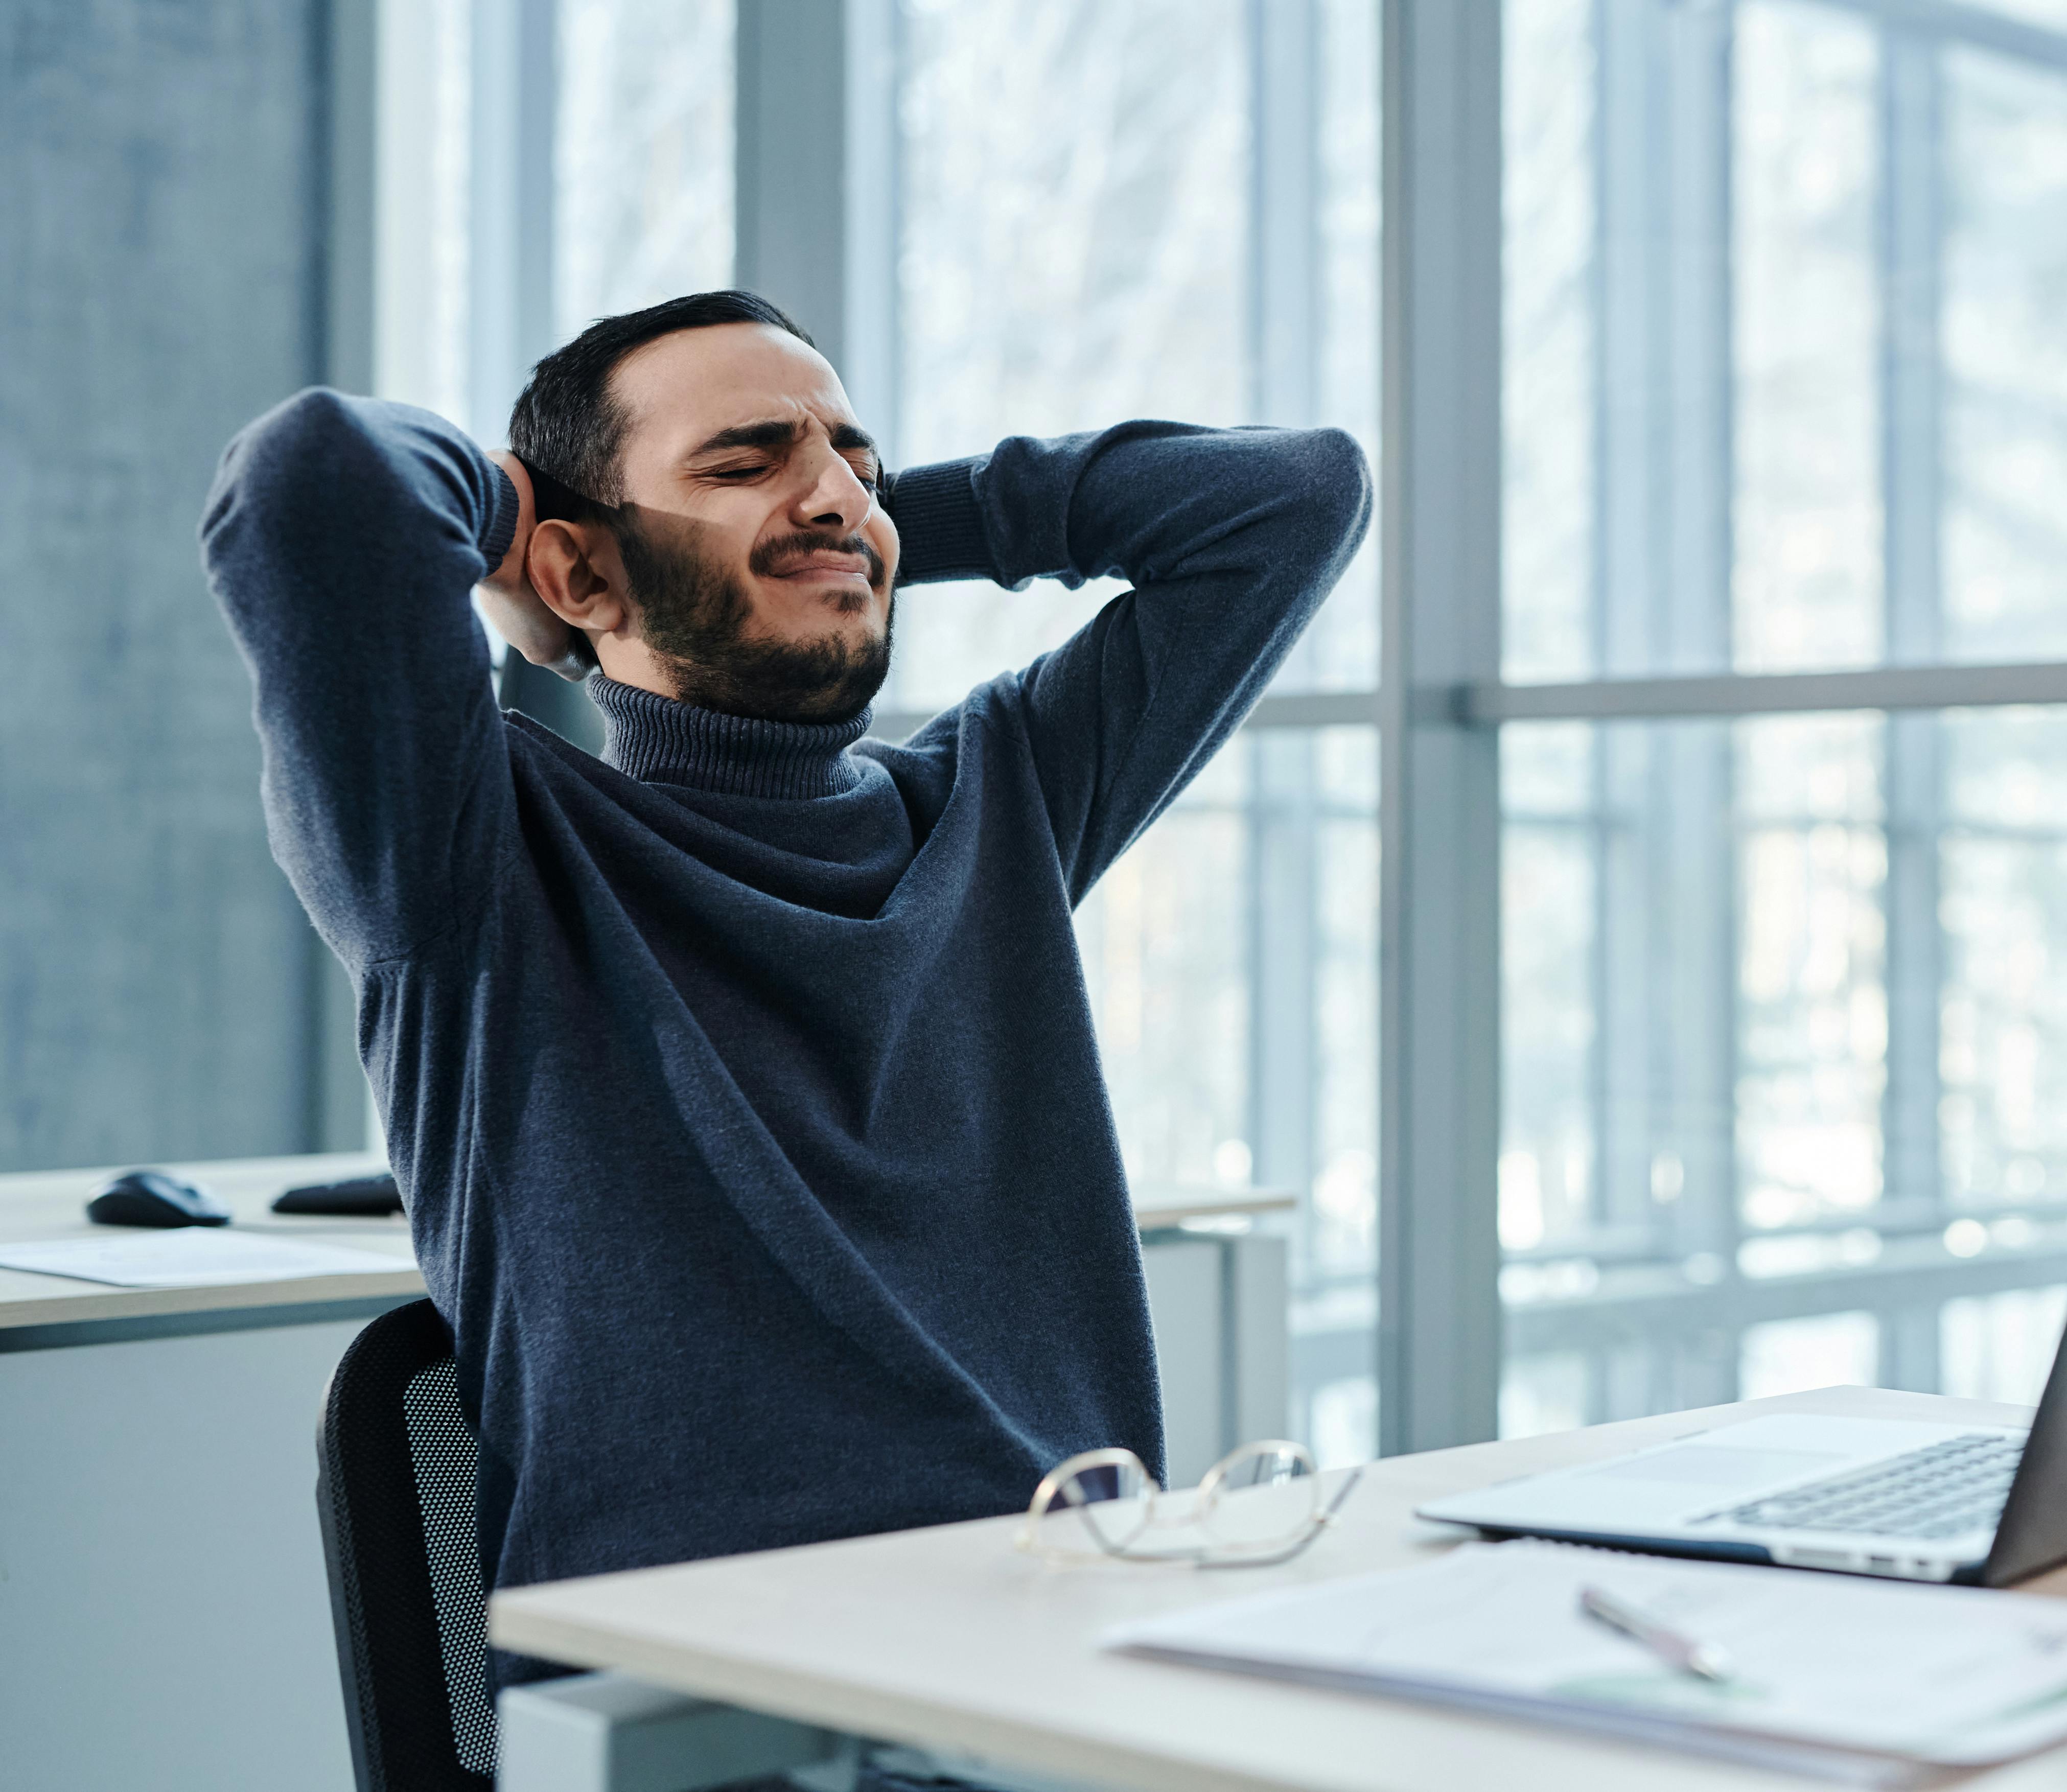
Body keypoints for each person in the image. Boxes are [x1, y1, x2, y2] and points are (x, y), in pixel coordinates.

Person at [202, 290, 1371, 1682]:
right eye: (746, 458)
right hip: (712, 1706)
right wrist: (542, 528)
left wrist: (843, 530)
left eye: (855, 463)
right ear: (574, 574)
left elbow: (1293, 493)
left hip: (1065, 1663)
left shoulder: (1000, 801)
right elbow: (315, 480)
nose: (831, 494)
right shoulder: (476, 863)